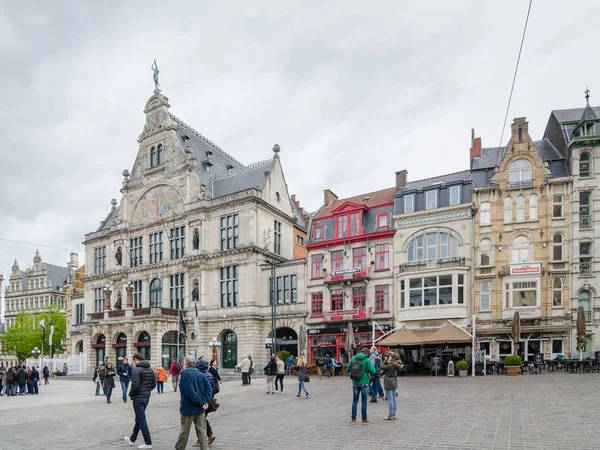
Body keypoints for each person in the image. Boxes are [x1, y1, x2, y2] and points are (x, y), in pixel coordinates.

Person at [175, 356, 212, 450]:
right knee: (202, 430)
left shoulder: (185, 374)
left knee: (184, 431)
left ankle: (180, 448)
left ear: (186, 364)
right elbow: (208, 389)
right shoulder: (200, 374)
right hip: (200, 409)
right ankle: (205, 448)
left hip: (188, 408)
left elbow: (190, 392)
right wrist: (205, 402)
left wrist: (202, 403)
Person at [124, 353, 156, 449]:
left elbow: (135, 385)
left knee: (141, 419)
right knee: (139, 418)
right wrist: (146, 391)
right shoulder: (150, 369)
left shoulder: (137, 370)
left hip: (138, 398)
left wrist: (131, 394)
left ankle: (148, 442)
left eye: (133, 360)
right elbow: (153, 384)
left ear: (136, 359)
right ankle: (132, 439)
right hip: (146, 397)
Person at [347, 347, 376, 424]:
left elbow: (348, 369)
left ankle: (353, 419)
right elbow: (373, 371)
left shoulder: (353, 359)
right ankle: (364, 419)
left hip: (355, 382)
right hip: (364, 382)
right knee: (364, 401)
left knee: (355, 401)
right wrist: (367, 370)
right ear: (367, 353)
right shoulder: (367, 360)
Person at [194, 359, 216, 446]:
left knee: (199, 420)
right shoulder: (210, 375)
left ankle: (204, 438)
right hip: (208, 400)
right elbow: (213, 388)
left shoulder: (198, 375)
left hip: (200, 401)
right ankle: (208, 436)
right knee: (202, 419)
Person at [381, 352, 403, 420]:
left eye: (390, 356)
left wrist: (385, 359)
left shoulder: (390, 365)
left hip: (388, 382)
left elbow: (382, 366)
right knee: (394, 399)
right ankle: (393, 414)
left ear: (393, 357)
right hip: (394, 381)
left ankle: (390, 415)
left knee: (390, 400)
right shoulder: (397, 364)